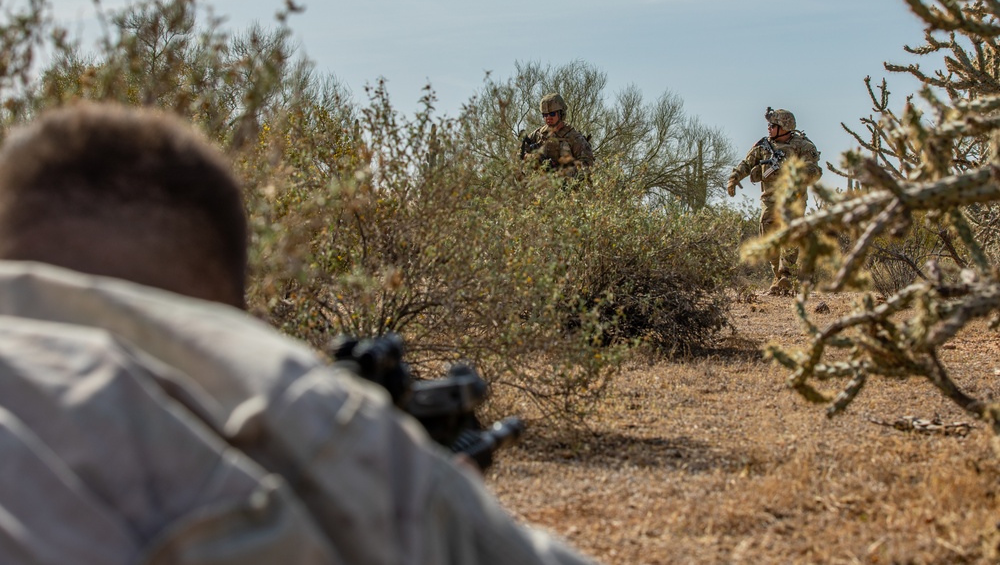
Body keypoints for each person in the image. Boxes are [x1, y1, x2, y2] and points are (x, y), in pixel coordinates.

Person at [0, 102, 599, 565]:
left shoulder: (571, 141)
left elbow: (582, 177)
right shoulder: (290, 413)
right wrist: (440, 503)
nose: (548, 121)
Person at [726, 107, 822, 295]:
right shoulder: (763, 147)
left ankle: (786, 274)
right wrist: (734, 178)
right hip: (770, 200)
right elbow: (747, 164)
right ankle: (777, 274)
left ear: (784, 126)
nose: (769, 128)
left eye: (773, 125)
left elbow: (815, 172)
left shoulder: (803, 146)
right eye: (769, 125)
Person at [521, 93, 594, 178]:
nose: (548, 117)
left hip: (567, 187)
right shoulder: (538, 134)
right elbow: (520, 152)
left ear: (561, 113)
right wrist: (532, 158)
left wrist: (564, 174)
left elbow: (587, 164)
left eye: (552, 114)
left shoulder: (574, 137)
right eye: (545, 115)